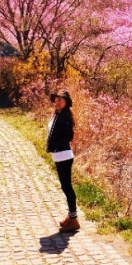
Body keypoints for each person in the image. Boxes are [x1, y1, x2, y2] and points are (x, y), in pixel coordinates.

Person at [46, 89, 79, 232]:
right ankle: (71, 217)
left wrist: (56, 145)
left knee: (67, 187)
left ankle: (73, 219)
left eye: (61, 99)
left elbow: (69, 136)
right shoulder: (57, 114)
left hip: (64, 155)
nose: (58, 101)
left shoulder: (65, 116)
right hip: (58, 155)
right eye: (56, 99)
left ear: (66, 102)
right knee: (65, 186)